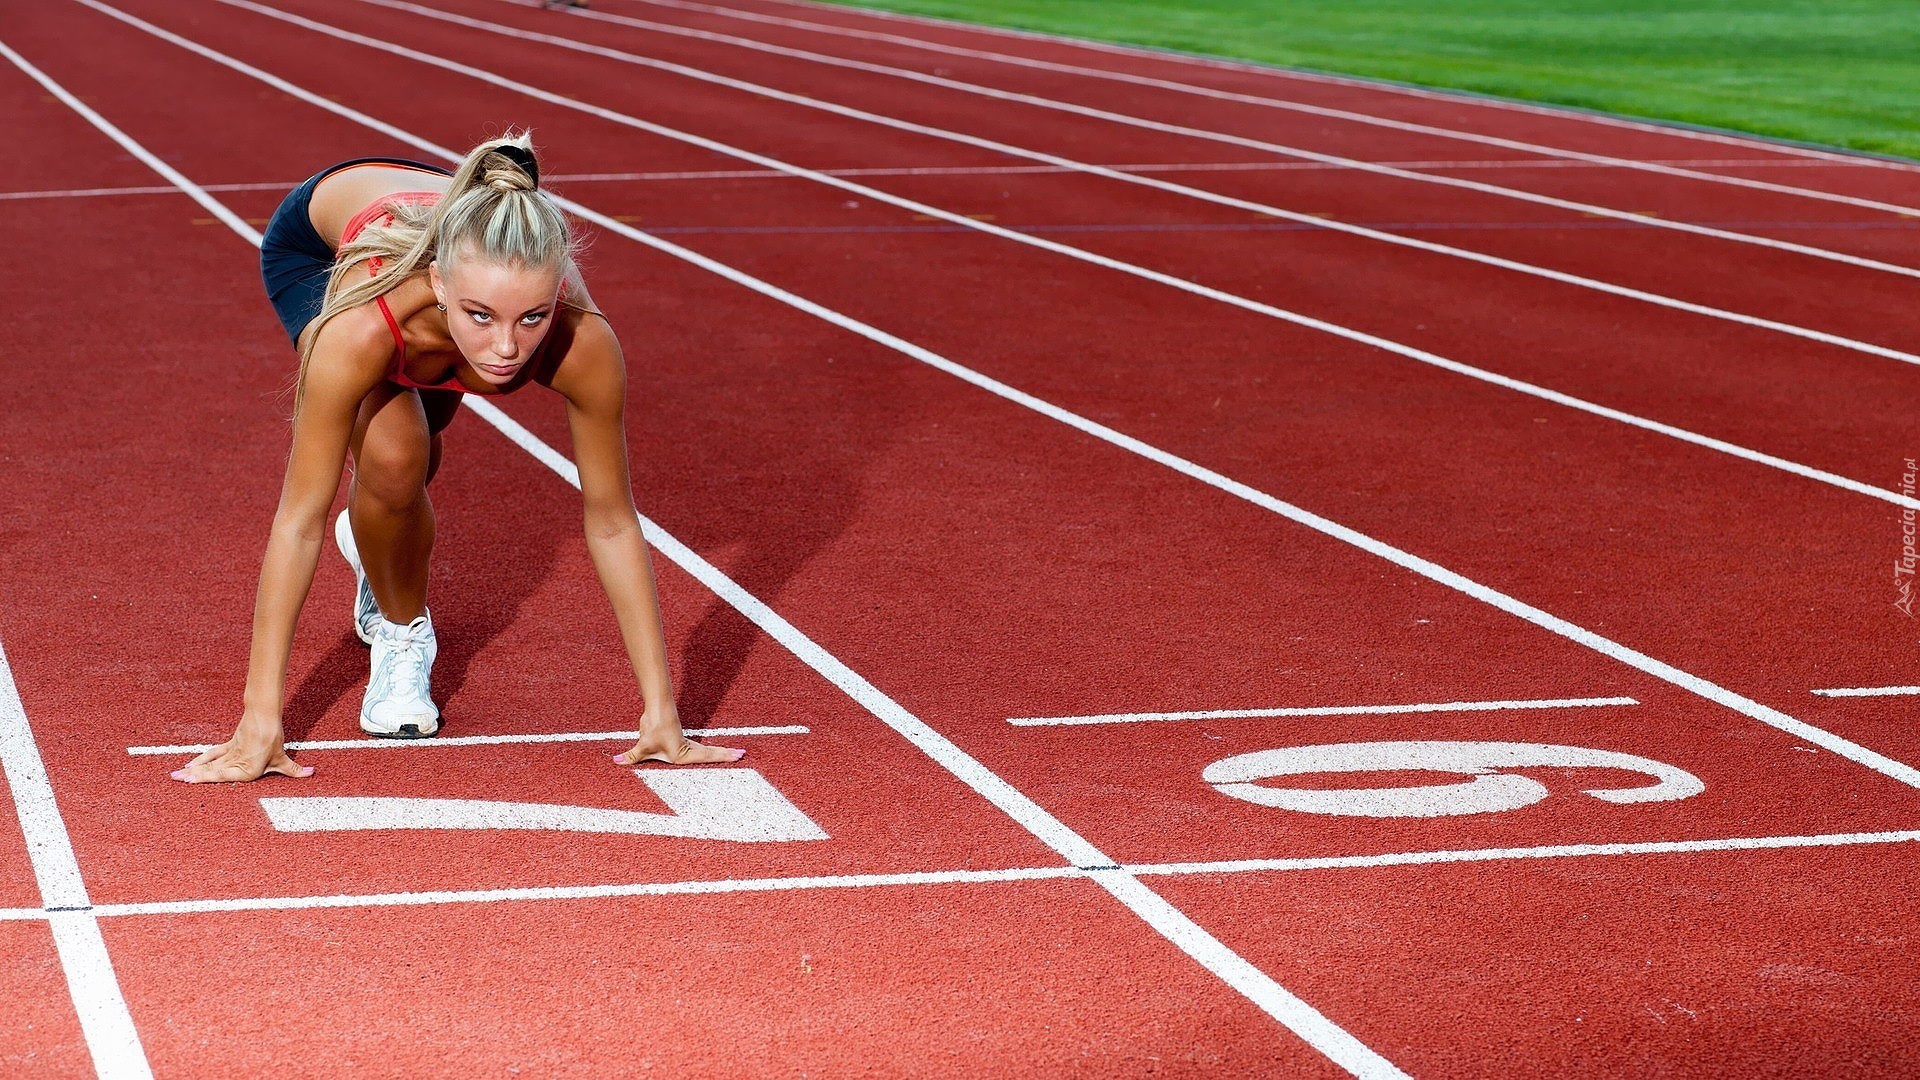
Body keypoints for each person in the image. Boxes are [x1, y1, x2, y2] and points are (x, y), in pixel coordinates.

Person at [171, 133, 743, 783]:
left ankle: (375, 543)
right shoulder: (360, 329)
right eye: (483, 317)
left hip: (447, 255)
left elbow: (612, 520)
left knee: (417, 454)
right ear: (442, 284)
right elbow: (298, 519)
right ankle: (400, 626)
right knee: (395, 457)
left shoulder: (579, 341)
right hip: (320, 247)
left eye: (531, 318)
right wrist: (259, 722)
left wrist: (661, 714)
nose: (506, 349)